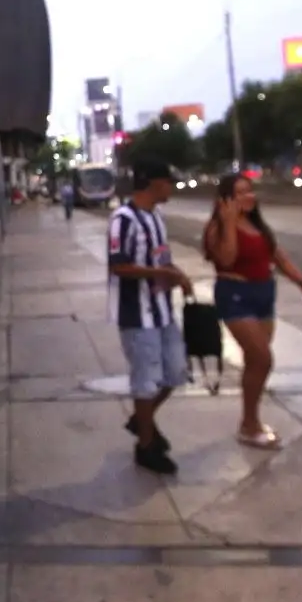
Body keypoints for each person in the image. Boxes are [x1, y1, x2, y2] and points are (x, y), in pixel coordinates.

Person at [202, 173, 302, 450]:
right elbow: (227, 259)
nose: (248, 197)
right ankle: (249, 424)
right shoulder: (217, 228)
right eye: (240, 193)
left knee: (256, 363)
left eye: (250, 191)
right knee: (263, 359)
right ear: (226, 200)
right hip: (236, 297)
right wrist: (229, 222)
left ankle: (249, 422)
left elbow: (279, 256)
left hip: (264, 296)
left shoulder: (257, 225)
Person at [108, 160, 192, 475]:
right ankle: (146, 446)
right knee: (145, 381)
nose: (171, 187)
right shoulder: (123, 220)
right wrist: (161, 272)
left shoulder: (156, 218)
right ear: (153, 183)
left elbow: (162, 259)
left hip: (162, 311)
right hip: (136, 314)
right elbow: (119, 266)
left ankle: (141, 420)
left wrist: (176, 275)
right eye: (168, 182)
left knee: (176, 372)